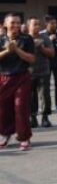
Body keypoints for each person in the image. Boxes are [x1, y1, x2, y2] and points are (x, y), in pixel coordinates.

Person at [0, 13, 36, 151]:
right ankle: (5, 134)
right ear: (5, 24)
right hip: (4, 77)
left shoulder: (27, 39)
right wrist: (7, 51)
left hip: (22, 77)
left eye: (18, 23)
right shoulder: (1, 39)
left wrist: (17, 50)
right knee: (3, 109)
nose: (15, 25)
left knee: (21, 107)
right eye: (12, 23)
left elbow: (31, 59)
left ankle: (24, 137)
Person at [28, 17, 54, 128]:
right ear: (29, 26)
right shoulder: (25, 39)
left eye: (38, 24)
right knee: (31, 97)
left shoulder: (45, 38)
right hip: (29, 73)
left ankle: (45, 117)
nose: (37, 26)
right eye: (34, 24)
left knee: (45, 96)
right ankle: (32, 117)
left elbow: (52, 54)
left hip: (44, 72)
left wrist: (41, 48)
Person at [41, 15, 57, 112]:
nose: (55, 25)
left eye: (55, 23)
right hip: (45, 62)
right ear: (46, 24)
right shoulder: (41, 34)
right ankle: (47, 106)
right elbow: (39, 47)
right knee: (45, 85)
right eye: (52, 23)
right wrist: (49, 40)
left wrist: (53, 42)